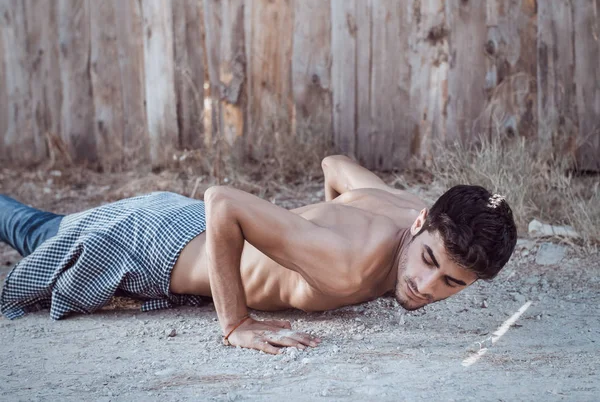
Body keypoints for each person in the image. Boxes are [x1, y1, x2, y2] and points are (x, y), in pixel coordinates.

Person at [0, 155, 517, 354]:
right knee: (27, 228)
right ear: (422, 223)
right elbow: (221, 202)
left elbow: (336, 166)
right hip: (150, 246)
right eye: (428, 264)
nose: (426, 288)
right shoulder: (347, 260)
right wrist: (236, 322)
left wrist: (301, 238)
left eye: (452, 283)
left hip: (176, 222)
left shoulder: (409, 210)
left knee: (27, 223)